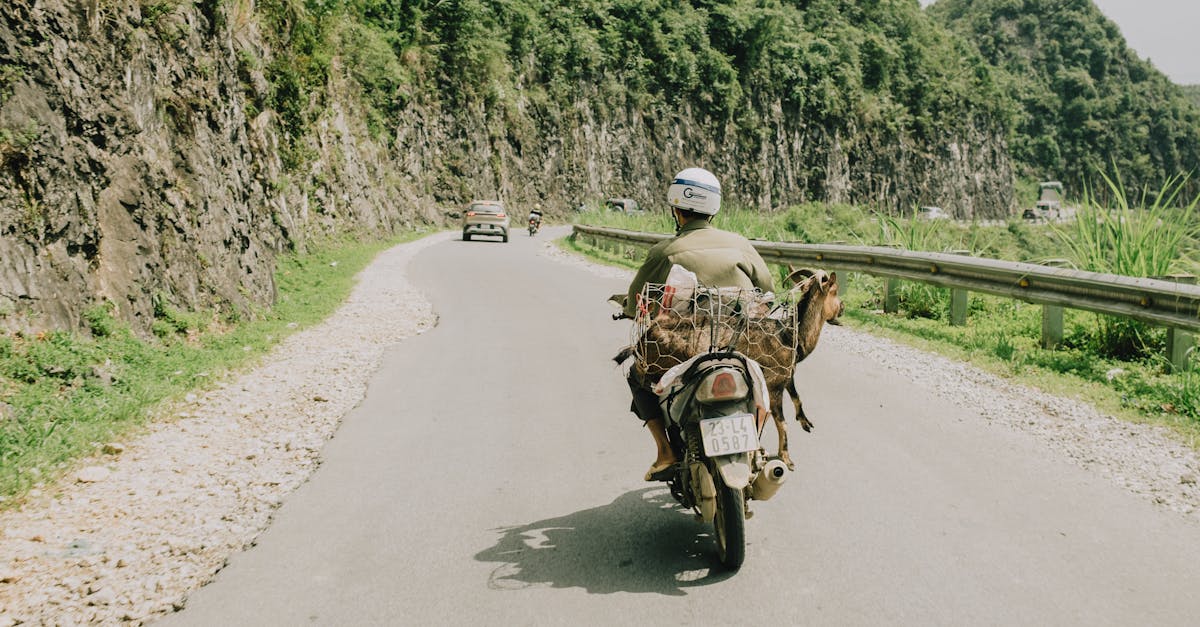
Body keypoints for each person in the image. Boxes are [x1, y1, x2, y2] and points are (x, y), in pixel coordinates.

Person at [622, 167, 775, 481]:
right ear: (714, 208)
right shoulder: (741, 245)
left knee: (637, 374)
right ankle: (755, 444)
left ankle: (665, 451)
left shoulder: (664, 252)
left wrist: (630, 310)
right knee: (766, 379)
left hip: (686, 347)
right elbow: (767, 290)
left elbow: (636, 301)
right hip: (740, 341)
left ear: (676, 209)